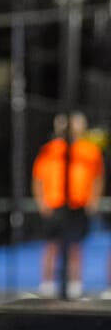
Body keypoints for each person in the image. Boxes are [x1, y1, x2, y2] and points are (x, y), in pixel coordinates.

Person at [31, 111, 104, 298]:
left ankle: (75, 285)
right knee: (51, 245)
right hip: (55, 203)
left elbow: (98, 178)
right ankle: (47, 285)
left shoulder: (90, 151)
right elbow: (38, 178)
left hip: (78, 204)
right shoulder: (49, 150)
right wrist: (41, 202)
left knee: (75, 245)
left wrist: (93, 200)